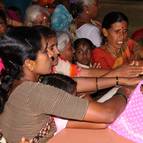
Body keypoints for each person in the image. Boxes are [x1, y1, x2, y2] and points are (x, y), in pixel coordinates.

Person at [0, 26, 133, 143]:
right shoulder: (34, 92)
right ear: (29, 63)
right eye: (46, 51)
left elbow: (77, 84)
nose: (53, 54)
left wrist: (119, 79)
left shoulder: (18, 85)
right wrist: (124, 91)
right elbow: (107, 114)